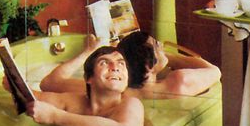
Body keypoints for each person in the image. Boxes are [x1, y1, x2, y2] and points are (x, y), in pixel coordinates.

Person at [21, 45, 144, 126]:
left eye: (121, 63)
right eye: (104, 63)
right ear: (88, 78)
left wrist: (55, 116)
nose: (115, 67)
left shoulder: (131, 104)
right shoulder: (75, 102)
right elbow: (31, 98)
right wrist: (14, 80)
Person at [39, 31, 221, 99]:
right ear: (150, 66)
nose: (163, 47)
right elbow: (214, 70)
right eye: (158, 46)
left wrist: (88, 51)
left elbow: (49, 82)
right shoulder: (178, 83)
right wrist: (167, 59)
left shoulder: (107, 89)